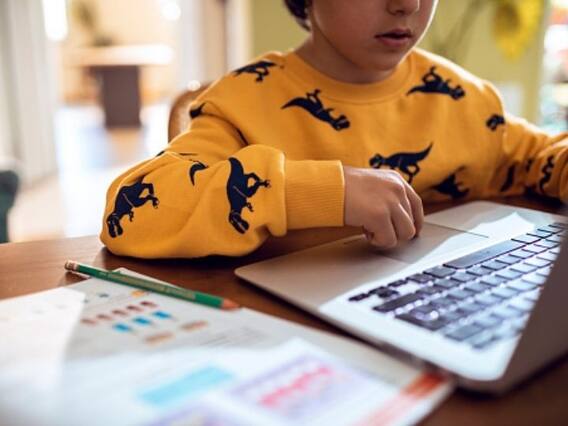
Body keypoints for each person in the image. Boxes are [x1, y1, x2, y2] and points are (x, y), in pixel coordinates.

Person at [101, 0, 567, 259]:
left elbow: (543, 156)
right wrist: (327, 191)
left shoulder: (465, 99)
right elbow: (132, 211)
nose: (406, 4)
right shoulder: (243, 103)